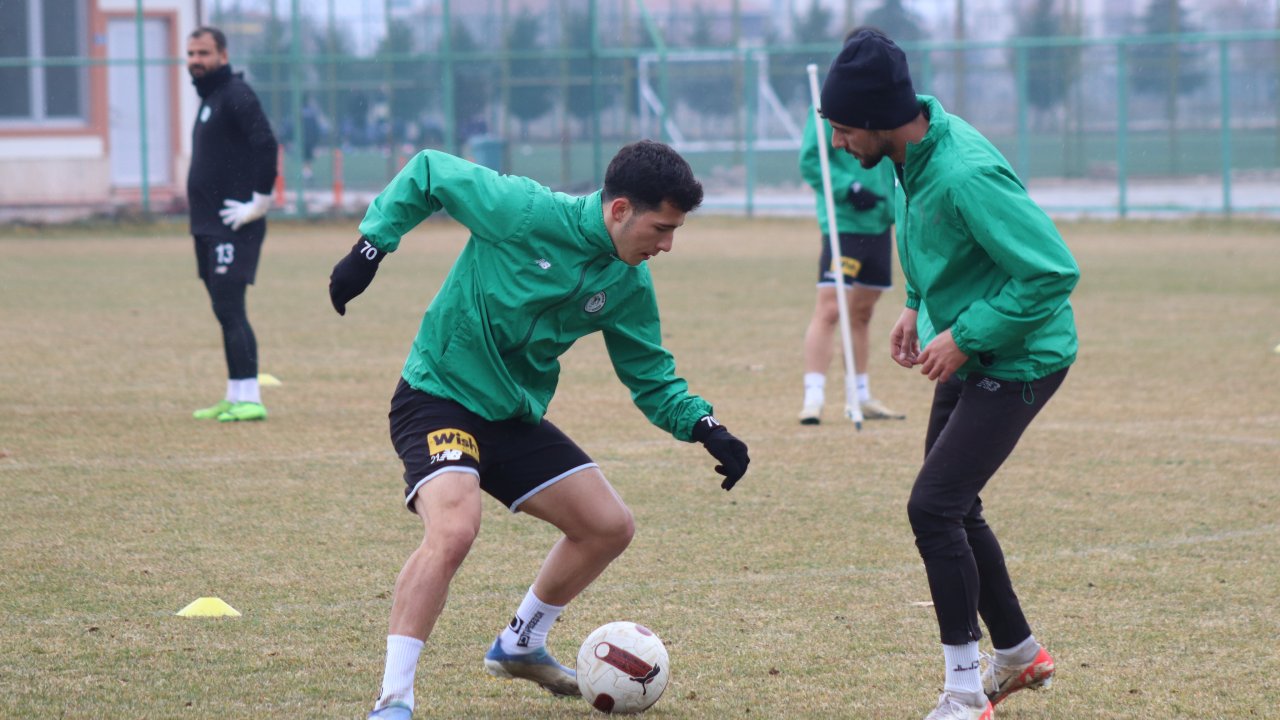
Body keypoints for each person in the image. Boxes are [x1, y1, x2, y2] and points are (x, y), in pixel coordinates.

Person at [327, 140, 751, 720]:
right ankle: (393, 701)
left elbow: (650, 374)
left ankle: (519, 643)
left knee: (608, 526)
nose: (668, 245)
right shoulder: (523, 210)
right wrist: (370, 249)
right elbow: (429, 171)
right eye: (661, 228)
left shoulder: (627, 283)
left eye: (675, 231)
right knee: (454, 529)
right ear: (619, 209)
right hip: (438, 396)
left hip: (511, 416)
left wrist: (706, 426)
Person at [820, 29, 1079, 720]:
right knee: (955, 506)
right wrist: (913, 306)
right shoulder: (909, 155)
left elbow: (1054, 272)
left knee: (933, 507)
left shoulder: (964, 170)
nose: (839, 143)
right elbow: (935, 240)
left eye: (843, 129)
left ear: (876, 119)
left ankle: (965, 694)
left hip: (1022, 354)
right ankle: (1021, 655)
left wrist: (963, 337)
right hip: (971, 339)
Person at [186, 26, 277, 423]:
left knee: (231, 308)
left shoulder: (236, 95)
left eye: (203, 53)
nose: (195, 60)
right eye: (190, 53)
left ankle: (251, 398)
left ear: (222, 55)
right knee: (223, 310)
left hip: (233, 224)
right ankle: (235, 393)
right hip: (207, 225)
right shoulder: (211, 98)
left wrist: (259, 200)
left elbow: (266, 143)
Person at [797, 102, 904, 424]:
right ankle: (813, 398)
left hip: (881, 222)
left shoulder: (886, 106)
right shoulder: (827, 105)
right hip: (843, 224)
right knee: (830, 309)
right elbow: (811, 161)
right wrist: (850, 189)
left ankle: (860, 394)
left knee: (862, 313)